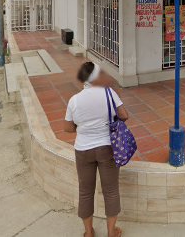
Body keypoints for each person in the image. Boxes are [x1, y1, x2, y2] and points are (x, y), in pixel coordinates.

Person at [64, 62, 128, 237]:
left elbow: (68, 128)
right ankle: (111, 232)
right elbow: (124, 115)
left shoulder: (74, 100)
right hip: (107, 148)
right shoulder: (109, 93)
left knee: (85, 191)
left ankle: (88, 232)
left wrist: (84, 127)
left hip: (83, 150)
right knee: (111, 190)